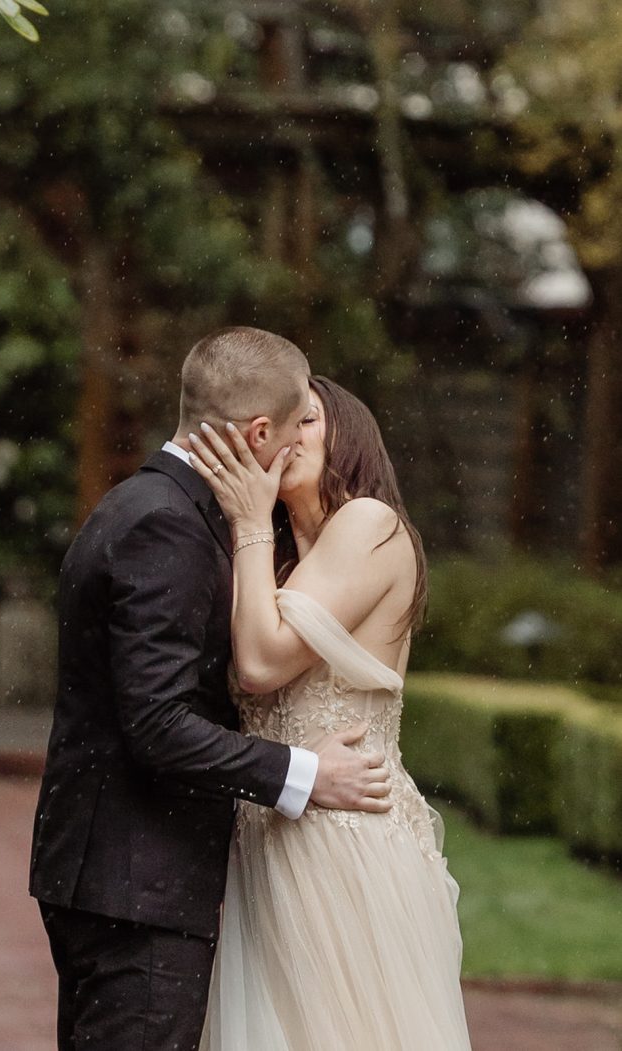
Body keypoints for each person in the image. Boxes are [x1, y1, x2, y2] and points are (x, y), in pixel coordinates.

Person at [29, 329, 392, 1051]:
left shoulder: (146, 504)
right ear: (259, 431)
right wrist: (304, 773)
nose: (296, 446)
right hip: (137, 884)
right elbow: (158, 723)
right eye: (294, 429)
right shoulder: (167, 524)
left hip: (115, 876)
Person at [190, 375, 473, 1051]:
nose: (290, 435)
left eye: (308, 419)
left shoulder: (369, 524)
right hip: (266, 847)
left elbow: (258, 664)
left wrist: (250, 521)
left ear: (349, 435)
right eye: (280, 423)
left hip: (345, 841)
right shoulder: (275, 562)